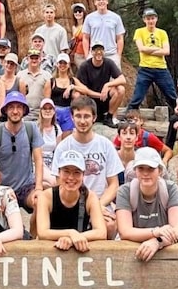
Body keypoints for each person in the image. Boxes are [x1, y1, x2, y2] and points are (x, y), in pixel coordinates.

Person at [115, 146, 178, 280]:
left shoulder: (171, 189)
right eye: (141, 169)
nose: (145, 173)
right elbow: (125, 231)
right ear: (135, 171)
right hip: (132, 240)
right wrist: (156, 232)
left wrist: (157, 241)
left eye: (150, 169)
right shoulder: (125, 191)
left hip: (166, 241)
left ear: (159, 170)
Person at [51, 96, 124, 236]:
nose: (82, 121)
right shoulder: (63, 147)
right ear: (72, 117)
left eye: (86, 116)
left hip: (100, 200)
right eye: (78, 116)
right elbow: (59, 182)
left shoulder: (105, 145)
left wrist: (97, 205)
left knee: (110, 225)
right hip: (71, 201)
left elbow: (114, 184)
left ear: (94, 118)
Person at [0, 91, 43, 216]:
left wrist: (38, 187)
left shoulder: (31, 128)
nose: (15, 111)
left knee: (40, 202)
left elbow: (38, 160)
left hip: (26, 186)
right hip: (2, 187)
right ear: (5, 110)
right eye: (11, 107)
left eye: (19, 107)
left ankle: (34, 236)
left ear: (24, 110)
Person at [36, 150, 107, 250]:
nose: (71, 177)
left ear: (83, 175)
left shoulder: (90, 197)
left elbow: (101, 232)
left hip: (80, 250)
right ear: (59, 173)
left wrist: (73, 239)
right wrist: (71, 233)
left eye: (76, 173)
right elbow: (42, 232)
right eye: (66, 172)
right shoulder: (46, 196)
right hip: (50, 249)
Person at [126, 8, 176, 113]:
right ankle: (129, 115)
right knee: (138, 96)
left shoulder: (162, 33)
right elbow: (141, 48)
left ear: (156, 19)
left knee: (171, 95)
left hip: (161, 68)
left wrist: (149, 50)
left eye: (152, 18)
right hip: (145, 69)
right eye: (148, 19)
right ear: (144, 20)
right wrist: (158, 49)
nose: (151, 21)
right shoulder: (139, 32)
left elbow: (166, 51)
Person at [74, 41, 127, 127]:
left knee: (121, 89)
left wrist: (107, 85)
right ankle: (85, 116)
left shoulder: (109, 63)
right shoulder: (84, 66)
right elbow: (83, 89)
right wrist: (100, 95)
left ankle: (109, 117)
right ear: (92, 52)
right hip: (90, 100)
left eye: (101, 50)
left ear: (104, 52)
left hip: (105, 99)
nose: (98, 52)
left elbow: (122, 79)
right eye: (96, 50)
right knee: (77, 94)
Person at [81, 0, 125, 66]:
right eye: (98, 0)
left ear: (107, 1)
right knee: (93, 77)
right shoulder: (89, 18)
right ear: (95, 2)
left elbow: (120, 38)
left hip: (111, 55)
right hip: (94, 54)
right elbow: (85, 38)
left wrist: (118, 56)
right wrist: (87, 55)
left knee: (115, 78)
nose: (101, 2)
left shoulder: (116, 17)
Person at [49, 54, 81, 131]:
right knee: (55, 136)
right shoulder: (51, 81)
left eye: (65, 63)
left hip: (68, 111)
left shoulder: (72, 80)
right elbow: (47, 100)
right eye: (60, 63)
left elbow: (85, 90)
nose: (62, 65)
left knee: (67, 137)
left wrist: (72, 87)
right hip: (55, 111)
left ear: (68, 65)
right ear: (57, 64)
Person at [18, 47, 51, 116]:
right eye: (32, 58)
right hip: (24, 113)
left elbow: (47, 98)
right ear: (27, 59)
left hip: (40, 113)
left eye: (36, 58)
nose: (34, 60)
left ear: (40, 59)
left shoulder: (47, 76)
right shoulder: (20, 75)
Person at [37, 98, 60, 187]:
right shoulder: (36, 128)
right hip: (38, 162)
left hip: (52, 162)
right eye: (45, 109)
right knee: (53, 182)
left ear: (54, 111)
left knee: (55, 183)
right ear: (41, 111)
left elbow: (58, 151)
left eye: (50, 109)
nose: (47, 111)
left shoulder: (57, 129)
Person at [68, 2, 86, 70]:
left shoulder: (87, 25)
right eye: (75, 11)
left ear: (84, 12)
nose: (78, 13)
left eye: (80, 11)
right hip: (78, 54)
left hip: (87, 53)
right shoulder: (74, 27)